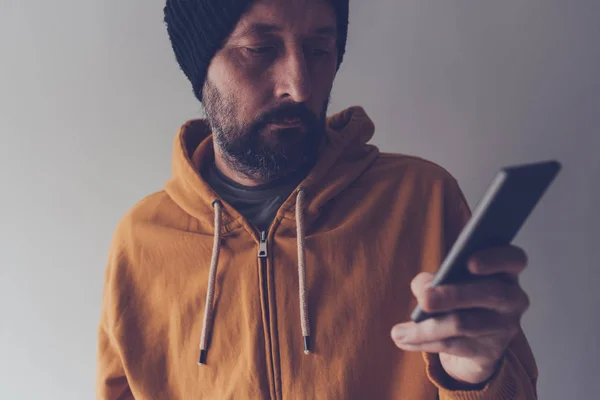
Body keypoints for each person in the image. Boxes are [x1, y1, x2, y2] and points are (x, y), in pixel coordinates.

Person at [96, 0, 538, 398]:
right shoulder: (141, 240)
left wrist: (473, 379)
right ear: (202, 66)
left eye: (319, 50)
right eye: (261, 49)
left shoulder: (422, 200)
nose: (300, 86)